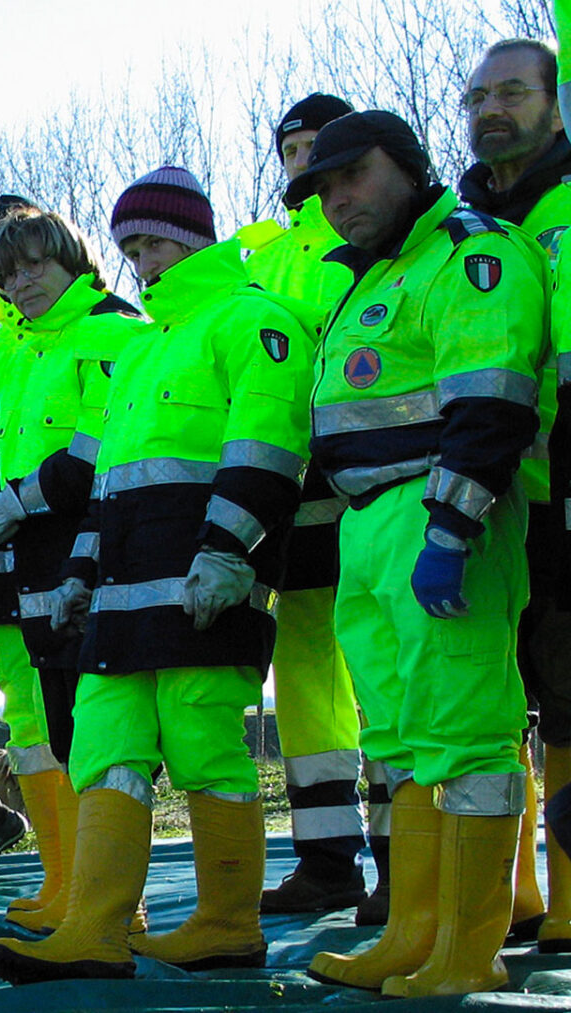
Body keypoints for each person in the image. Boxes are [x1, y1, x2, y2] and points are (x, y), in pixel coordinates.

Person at [0, 167, 314, 984]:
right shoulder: (143, 350)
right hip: (118, 599)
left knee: (205, 745)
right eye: (131, 247)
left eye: (157, 242)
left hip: (205, 584)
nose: (144, 260)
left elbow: (269, 448)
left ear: (198, 236)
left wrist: (229, 550)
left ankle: (228, 922)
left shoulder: (252, 320)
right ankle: (95, 929)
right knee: (104, 749)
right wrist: (79, 575)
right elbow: (111, 486)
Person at [296, 110, 545, 998]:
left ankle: (470, 947)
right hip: (367, 529)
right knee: (399, 742)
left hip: (437, 515)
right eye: (321, 190)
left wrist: (451, 531)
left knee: (466, 737)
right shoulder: (365, 282)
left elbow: (493, 399)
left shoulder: (469, 256)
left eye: (351, 177)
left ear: (405, 165)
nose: (336, 201)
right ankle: (414, 930)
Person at [0, 200, 144, 930]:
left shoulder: (114, 332)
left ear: (73, 258)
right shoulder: (11, 355)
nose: (23, 281)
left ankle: (105, 907)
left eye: (36, 263)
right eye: (9, 272)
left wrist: (16, 501)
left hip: (89, 555)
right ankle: (67, 883)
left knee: (101, 733)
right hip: (23, 560)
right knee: (47, 726)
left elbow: (98, 452)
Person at [236, 92, 376, 920]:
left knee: (378, 669)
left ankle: (405, 863)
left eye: (317, 146)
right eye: (290, 149)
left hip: (365, 485)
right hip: (291, 495)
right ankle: (328, 860)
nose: (302, 162)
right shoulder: (264, 253)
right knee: (309, 681)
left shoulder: (371, 237)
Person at [458, 36, 571, 950]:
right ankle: (526, 896)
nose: (490, 107)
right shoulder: (474, 233)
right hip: (509, 499)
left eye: (512, 91)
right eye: (477, 95)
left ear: (556, 102)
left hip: (562, 486)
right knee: (518, 699)